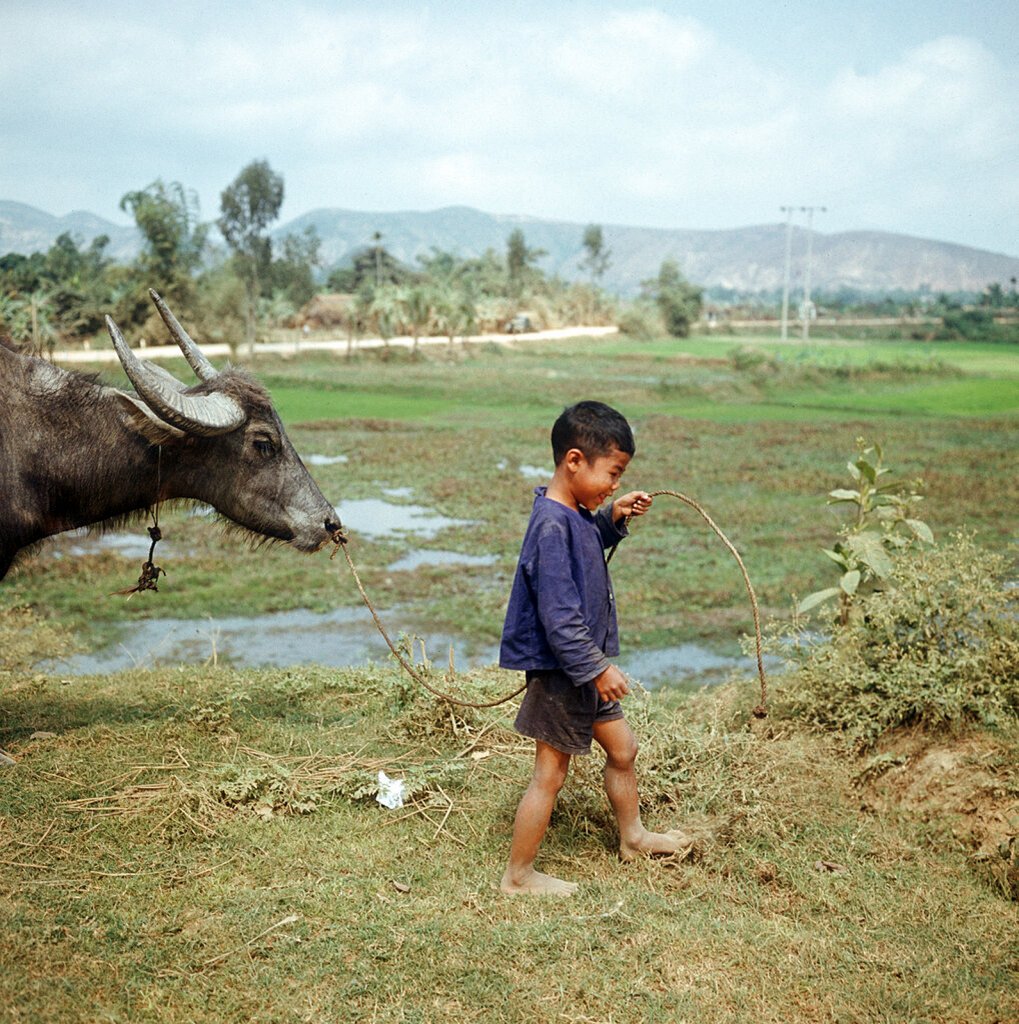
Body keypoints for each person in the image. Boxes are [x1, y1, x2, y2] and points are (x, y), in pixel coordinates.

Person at [499, 400, 692, 896]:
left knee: (623, 750)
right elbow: (559, 618)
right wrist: (597, 668)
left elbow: (588, 539)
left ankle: (632, 837)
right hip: (566, 671)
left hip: (584, 668)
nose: (613, 484)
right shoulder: (550, 525)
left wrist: (612, 516)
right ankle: (518, 877)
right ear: (574, 461)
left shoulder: (577, 514)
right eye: (613, 474)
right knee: (550, 772)